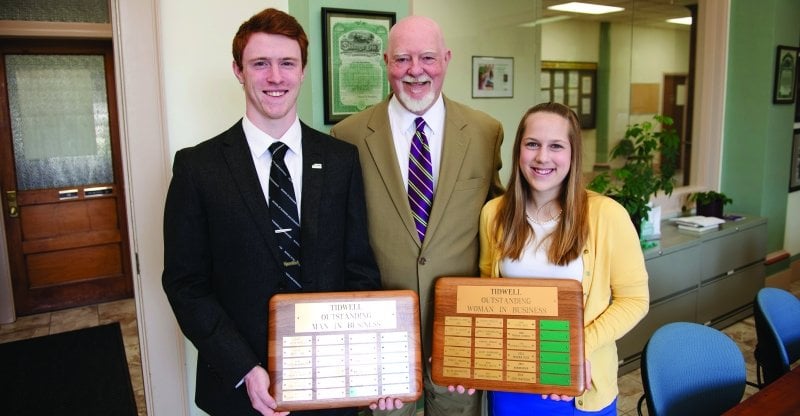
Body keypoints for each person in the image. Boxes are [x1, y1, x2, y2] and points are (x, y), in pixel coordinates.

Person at [162, 8, 381, 416]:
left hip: (332, 383)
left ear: (302, 70)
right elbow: (185, 284)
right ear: (238, 71)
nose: (275, 77)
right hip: (241, 388)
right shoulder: (197, 168)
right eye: (260, 64)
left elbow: (359, 270)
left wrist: (371, 365)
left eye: (287, 63)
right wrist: (243, 367)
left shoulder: (340, 160)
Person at [330, 15, 504, 416]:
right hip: (381, 332)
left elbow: (498, 225)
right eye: (403, 59)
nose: (415, 70)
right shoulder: (348, 137)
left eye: (427, 58)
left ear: (446, 59)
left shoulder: (485, 131)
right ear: (385, 62)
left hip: (461, 328)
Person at [478, 102, 649, 415]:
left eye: (556, 146)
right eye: (532, 144)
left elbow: (635, 300)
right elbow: (485, 298)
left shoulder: (607, 215)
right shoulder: (493, 215)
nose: (543, 157)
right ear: (519, 151)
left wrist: (576, 348)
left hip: (578, 383)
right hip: (511, 382)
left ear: (573, 154)